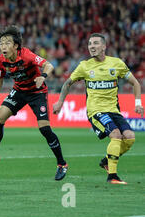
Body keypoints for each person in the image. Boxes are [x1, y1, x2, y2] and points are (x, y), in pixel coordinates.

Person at [53, 33, 143, 184]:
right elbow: (68, 83)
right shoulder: (84, 66)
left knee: (129, 137)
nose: (92, 47)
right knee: (115, 135)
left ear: (104, 46)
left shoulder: (116, 63)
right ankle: (112, 176)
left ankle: (107, 161)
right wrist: (60, 102)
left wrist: (138, 103)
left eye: (95, 43)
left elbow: (136, 83)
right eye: (89, 44)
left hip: (114, 110)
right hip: (96, 111)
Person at [0, 25, 68, 181]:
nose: (3, 46)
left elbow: (49, 65)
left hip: (37, 92)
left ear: (16, 46)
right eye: (1, 43)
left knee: (44, 129)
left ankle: (62, 164)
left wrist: (43, 76)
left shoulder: (27, 55)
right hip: (19, 91)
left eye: (7, 43)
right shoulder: (1, 60)